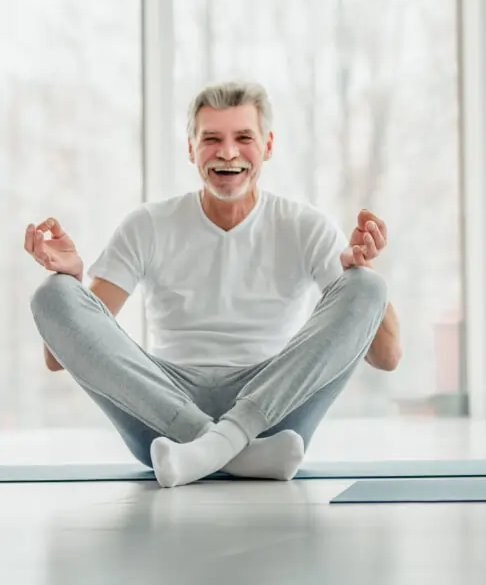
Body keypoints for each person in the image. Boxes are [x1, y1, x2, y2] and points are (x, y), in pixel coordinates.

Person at [25, 80, 401, 488]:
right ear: (191, 148)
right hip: (164, 408)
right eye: (211, 139)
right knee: (53, 293)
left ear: (268, 145)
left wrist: (356, 271)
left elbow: (387, 356)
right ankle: (231, 448)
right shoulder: (148, 225)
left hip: (272, 407)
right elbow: (59, 354)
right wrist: (72, 278)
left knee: (368, 286)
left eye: (244, 137)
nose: (227, 152)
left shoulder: (303, 226)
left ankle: (215, 446)